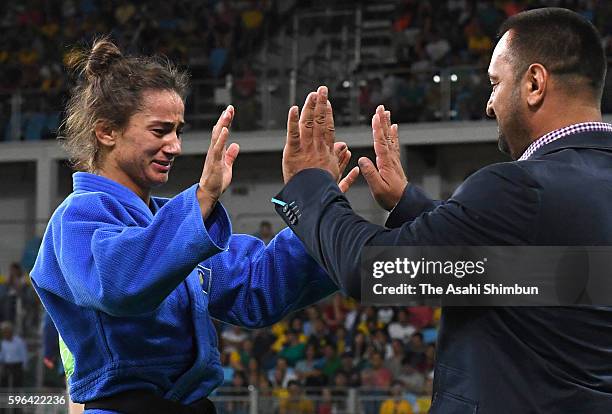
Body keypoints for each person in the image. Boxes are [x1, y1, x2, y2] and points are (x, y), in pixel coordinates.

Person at [274, 8, 612, 413]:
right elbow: (534, 277)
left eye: (495, 84)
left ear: (535, 83)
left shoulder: (519, 187)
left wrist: (309, 185)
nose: (489, 105)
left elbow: (372, 271)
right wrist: (408, 206)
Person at [30, 38, 353, 413]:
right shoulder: (77, 218)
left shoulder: (172, 224)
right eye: (159, 131)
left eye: (178, 131)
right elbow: (119, 284)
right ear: (107, 132)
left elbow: (258, 288)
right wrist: (201, 199)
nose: (175, 146)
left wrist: (316, 213)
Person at [0, 321, 28, 388]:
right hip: (7, 365)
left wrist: (25, 365)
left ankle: (15, 398)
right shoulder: (3, 342)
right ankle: (4, 398)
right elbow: (2, 355)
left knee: (17, 384)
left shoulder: (19, 341)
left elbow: (23, 354)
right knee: (4, 383)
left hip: (17, 365)